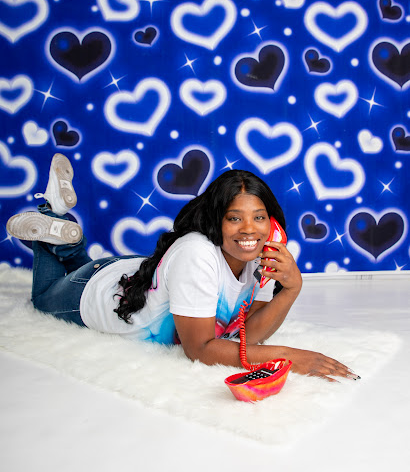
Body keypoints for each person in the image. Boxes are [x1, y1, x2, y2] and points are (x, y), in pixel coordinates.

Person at [7, 154, 359, 382]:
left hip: (124, 272)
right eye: (234, 218)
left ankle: (65, 235)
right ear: (215, 220)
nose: (249, 230)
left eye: (259, 217)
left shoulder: (261, 254)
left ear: (273, 222)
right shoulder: (196, 254)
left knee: (75, 268)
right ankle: (50, 213)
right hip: (93, 294)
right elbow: (200, 349)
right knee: (42, 298)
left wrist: (292, 288)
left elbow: (245, 335)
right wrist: (287, 356)